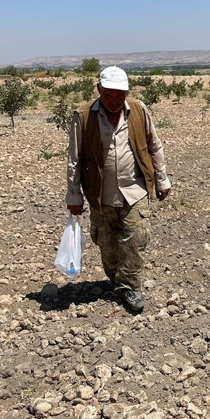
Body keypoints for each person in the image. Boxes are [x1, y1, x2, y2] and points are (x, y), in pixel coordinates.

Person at [66, 66, 171, 313]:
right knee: (107, 244)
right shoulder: (83, 116)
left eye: (119, 96)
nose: (114, 101)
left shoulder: (138, 109)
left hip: (135, 190)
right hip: (100, 194)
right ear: (99, 90)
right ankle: (116, 280)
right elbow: (74, 159)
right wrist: (74, 195)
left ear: (126, 93)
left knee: (135, 240)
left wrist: (162, 179)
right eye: (108, 95)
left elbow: (154, 146)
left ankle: (129, 286)